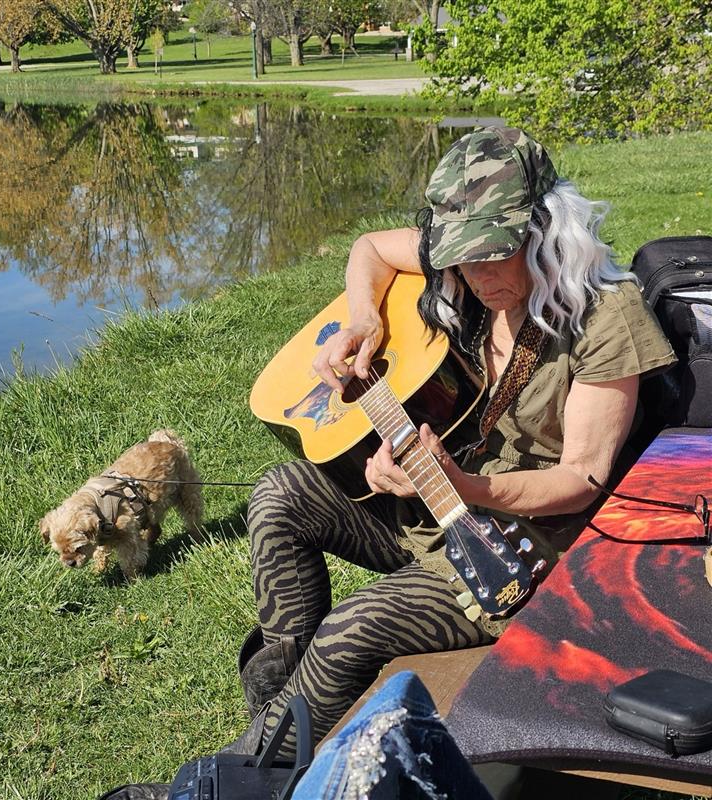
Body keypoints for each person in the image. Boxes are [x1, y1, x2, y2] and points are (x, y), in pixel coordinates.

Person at [102, 126, 676, 799]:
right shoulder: (458, 268)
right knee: (280, 495)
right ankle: (283, 723)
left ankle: (242, 781)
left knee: (354, 628)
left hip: (515, 554)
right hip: (431, 502)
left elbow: (579, 479)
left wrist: (462, 483)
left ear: (550, 231)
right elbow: (370, 249)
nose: (478, 276)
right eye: (462, 259)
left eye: (497, 255)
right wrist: (362, 319)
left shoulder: (608, 317)